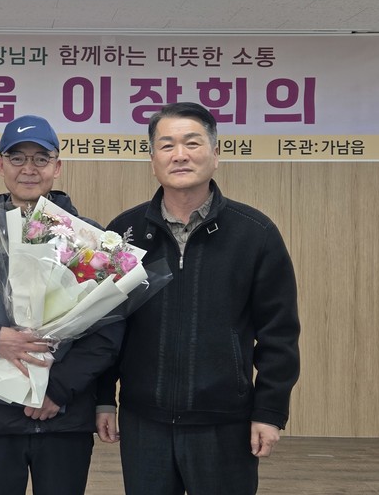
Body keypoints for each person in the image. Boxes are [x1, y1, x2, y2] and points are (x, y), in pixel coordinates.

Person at [96, 102, 301, 495]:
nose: (180, 155)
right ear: (152, 160)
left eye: (192, 143)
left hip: (224, 421)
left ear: (216, 154)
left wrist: (270, 410)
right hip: (144, 423)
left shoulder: (254, 233)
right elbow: (106, 324)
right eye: (167, 145)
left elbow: (279, 332)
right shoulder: (124, 233)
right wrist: (104, 398)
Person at [0, 114, 124, 495]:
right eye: (17, 157)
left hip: (66, 416)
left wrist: (59, 390)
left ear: (57, 166)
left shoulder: (87, 238)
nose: (29, 168)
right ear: (0, 164)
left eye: (41, 158)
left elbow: (109, 328)